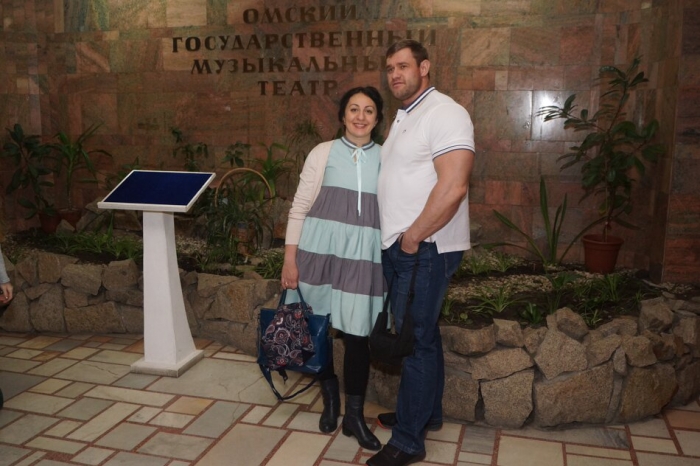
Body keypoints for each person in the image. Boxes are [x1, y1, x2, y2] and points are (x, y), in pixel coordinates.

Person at [368, 40, 476, 466]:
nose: (395, 74)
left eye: (403, 66)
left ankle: (409, 441)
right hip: (407, 247)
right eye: (390, 68)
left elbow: (454, 186)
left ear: (425, 67)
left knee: (414, 342)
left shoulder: (445, 113)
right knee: (423, 335)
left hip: (426, 247)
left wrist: (412, 237)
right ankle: (424, 414)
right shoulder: (406, 115)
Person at [281, 86, 385, 451]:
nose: (360, 116)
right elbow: (299, 208)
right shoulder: (322, 152)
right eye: (354, 109)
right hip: (317, 253)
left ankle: (354, 416)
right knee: (316, 328)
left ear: (377, 118)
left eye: (368, 110)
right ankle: (330, 396)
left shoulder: (387, 158)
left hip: (362, 258)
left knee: (358, 335)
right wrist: (289, 259)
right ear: (342, 115)